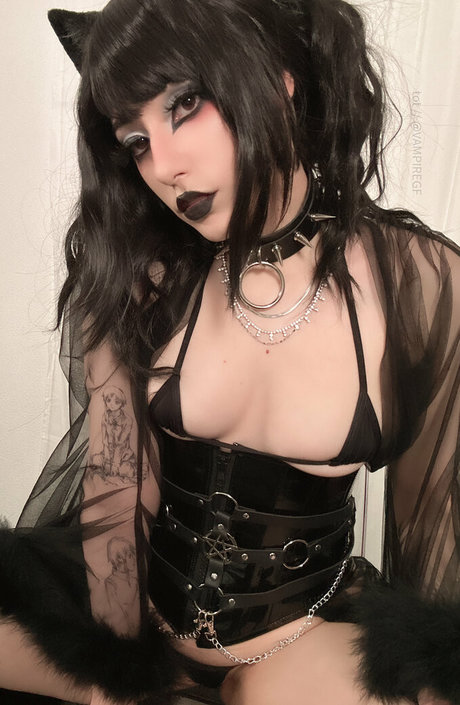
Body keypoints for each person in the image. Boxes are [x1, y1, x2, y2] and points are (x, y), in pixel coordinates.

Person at [0, 1, 458, 704]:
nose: (164, 166)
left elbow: (433, 532)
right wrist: (121, 677)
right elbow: (117, 485)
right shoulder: (143, 276)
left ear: (277, 77)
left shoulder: (419, 284)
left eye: (184, 104)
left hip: (298, 648)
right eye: (136, 140)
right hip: (139, 619)